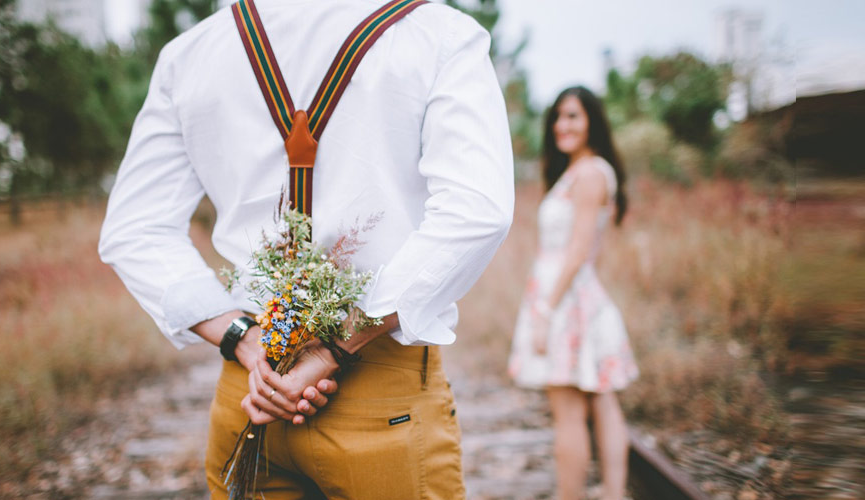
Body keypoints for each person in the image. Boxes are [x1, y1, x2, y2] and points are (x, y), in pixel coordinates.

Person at [98, 0, 514, 498]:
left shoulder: (191, 54)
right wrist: (335, 345)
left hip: (253, 392)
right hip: (379, 396)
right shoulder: (439, 34)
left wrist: (245, 341)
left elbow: (134, 228)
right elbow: (477, 211)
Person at [508, 86, 639, 500]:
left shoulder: (589, 174)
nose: (562, 126)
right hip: (575, 296)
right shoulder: (584, 171)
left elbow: (580, 249)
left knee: (568, 413)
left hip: (563, 301)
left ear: (591, 122)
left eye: (573, 116)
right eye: (558, 117)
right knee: (601, 400)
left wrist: (546, 309)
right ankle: (614, 494)